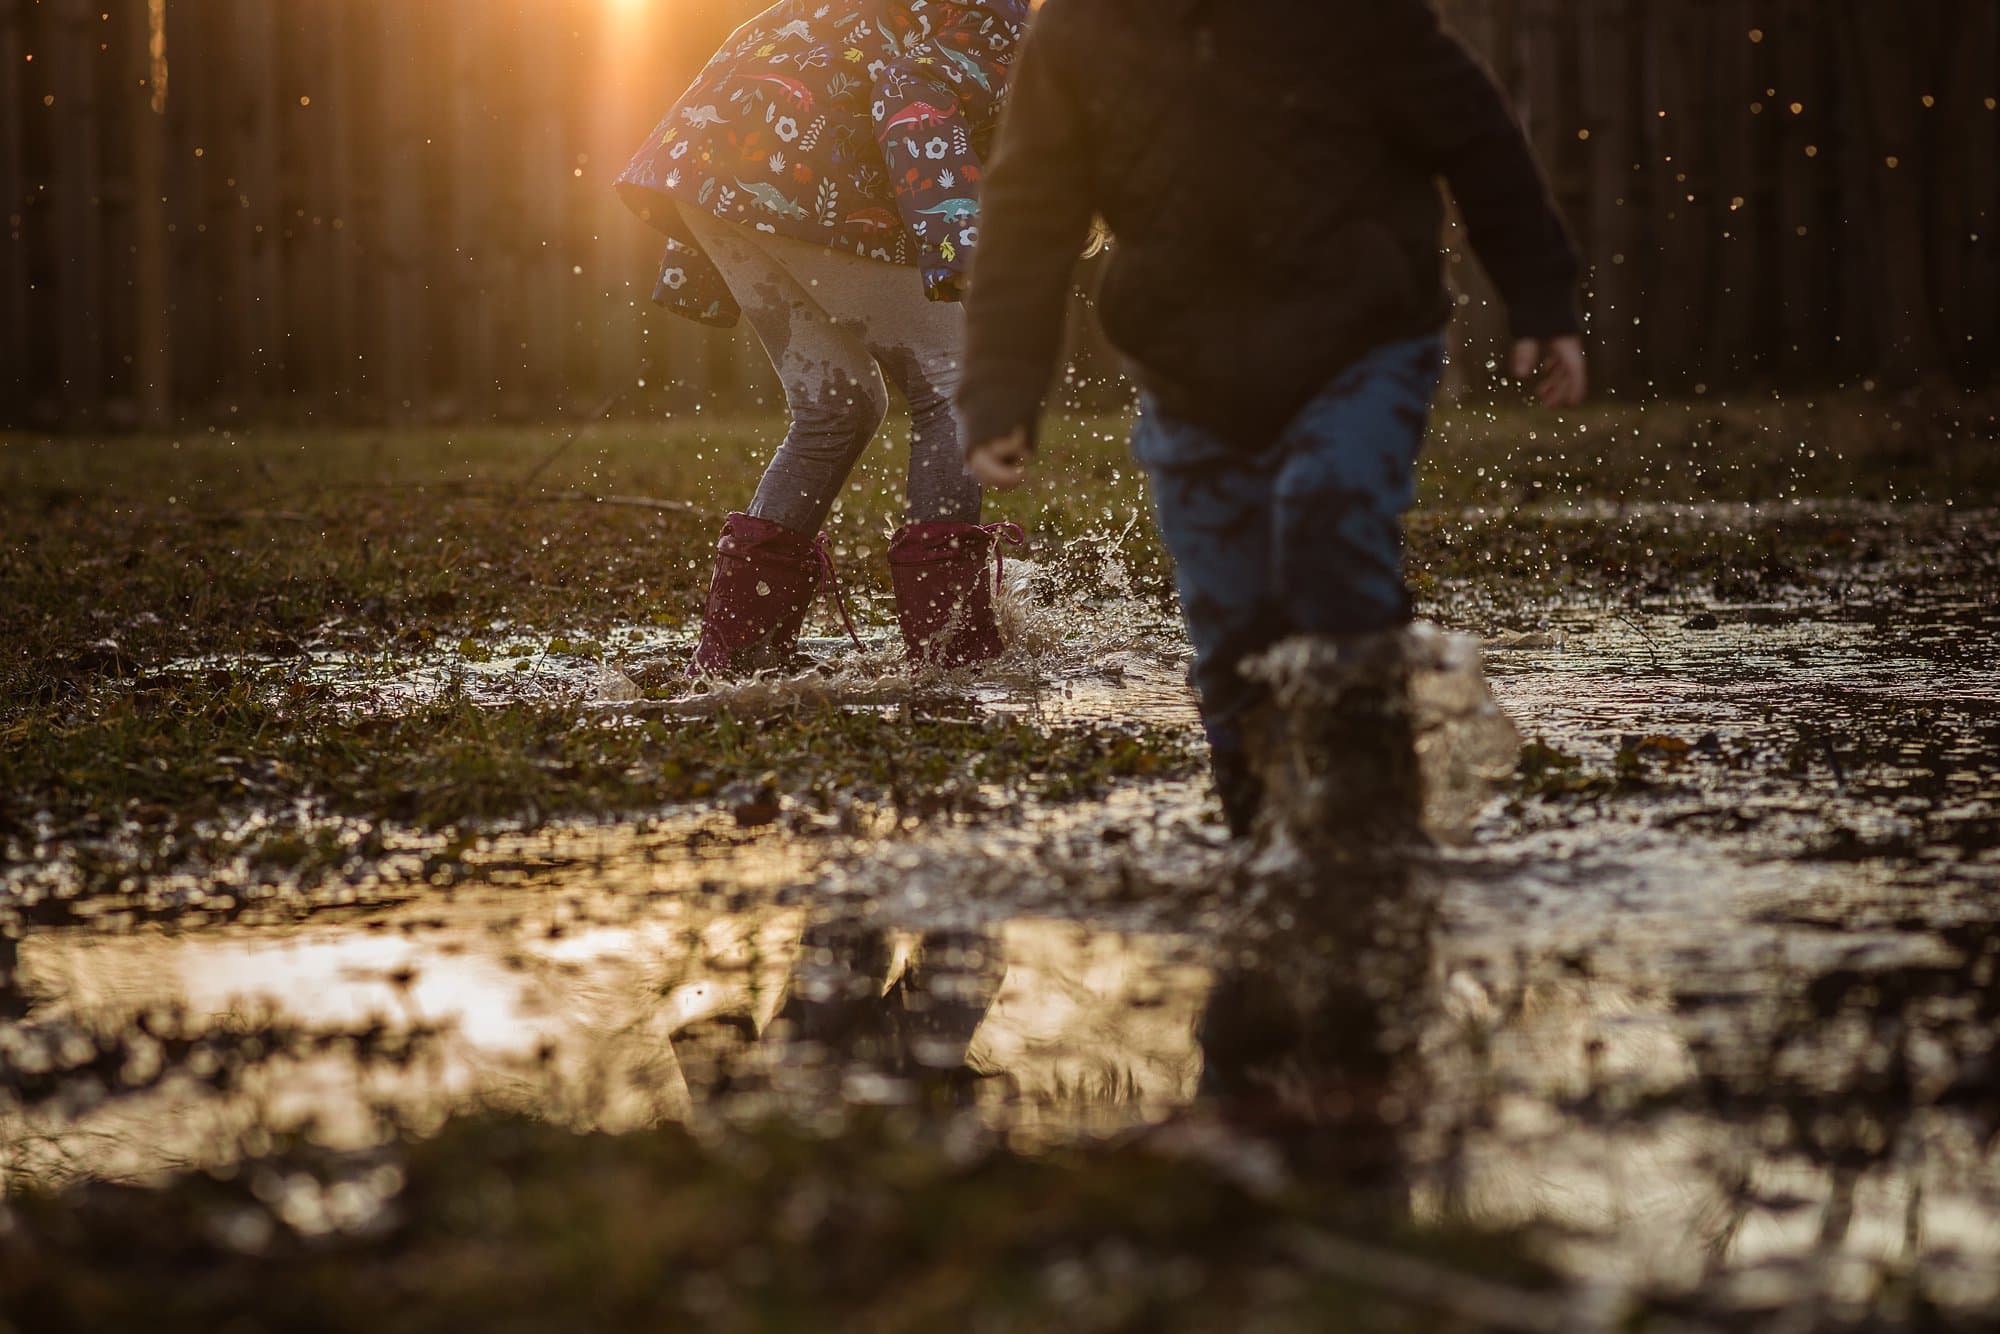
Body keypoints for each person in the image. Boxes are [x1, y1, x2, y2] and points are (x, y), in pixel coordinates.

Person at [956, 0, 1589, 837]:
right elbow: (1031, 205)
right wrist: (1002, 382)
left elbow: (1477, 136)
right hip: (1188, 369)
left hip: (1361, 338)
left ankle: (1376, 813)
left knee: (1326, 510)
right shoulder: (1080, 29)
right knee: (1230, 617)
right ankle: (1260, 836)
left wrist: (1541, 296)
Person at [616, 0, 1030, 677]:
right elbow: (910, 89)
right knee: (957, 381)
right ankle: (953, 653)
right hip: (789, 170)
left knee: (836, 406)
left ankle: (740, 656)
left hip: (709, 169)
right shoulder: (1006, 22)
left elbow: (779, 62)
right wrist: (959, 248)